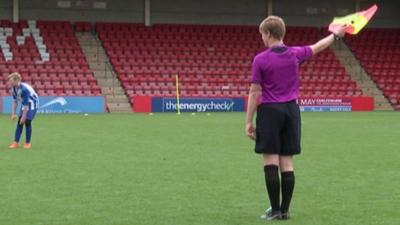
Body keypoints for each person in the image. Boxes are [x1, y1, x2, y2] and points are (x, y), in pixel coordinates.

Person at [245, 16, 347, 220]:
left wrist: (248, 121)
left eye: (262, 35)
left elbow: (255, 92)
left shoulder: (261, 59)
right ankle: (284, 211)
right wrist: (335, 35)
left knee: (270, 162)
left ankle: (274, 211)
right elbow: (318, 46)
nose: (262, 39)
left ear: (268, 34)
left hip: (270, 111)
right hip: (291, 111)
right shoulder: (295, 54)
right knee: (287, 163)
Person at [8, 72, 39, 149]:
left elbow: (26, 105)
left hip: (32, 103)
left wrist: (24, 117)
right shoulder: (13, 89)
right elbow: (15, 101)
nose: (9, 82)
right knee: (20, 122)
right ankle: (15, 143)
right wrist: (13, 113)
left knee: (27, 121)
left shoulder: (24, 89)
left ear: (16, 81)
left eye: (11, 81)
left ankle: (27, 143)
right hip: (24, 103)